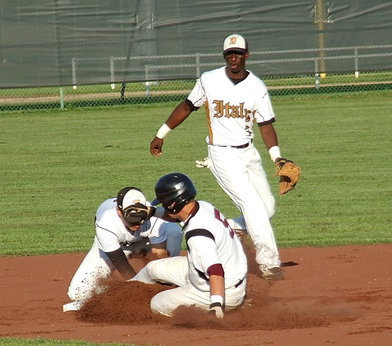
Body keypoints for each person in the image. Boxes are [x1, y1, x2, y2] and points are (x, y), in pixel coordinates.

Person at [149, 33, 293, 280]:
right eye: (229, 54)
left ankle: (226, 227)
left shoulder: (257, 87)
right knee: (253, 207)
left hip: (248, 152)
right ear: (224, 56)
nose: (233, 58)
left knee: (267, 208)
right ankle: (270, 264)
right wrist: (161, 134)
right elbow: (187, 106)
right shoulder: (209, 80)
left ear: (247, 55)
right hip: (221, 154)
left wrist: (277, 158)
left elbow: (266, 125)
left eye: (238, 53)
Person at [131, 172, 248, 319]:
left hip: (217, 290)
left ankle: (216, 308)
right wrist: (153, 212)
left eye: (164, 204)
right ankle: (125, 290)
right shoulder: (203, 206)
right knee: (152, 268)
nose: (164, 207)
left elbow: (215, 269)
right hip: (225, 276)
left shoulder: (197, 235)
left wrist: (216, 304)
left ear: (173, 204)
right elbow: (177, 216)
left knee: (157, 303)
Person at [63, 186, 182, 312]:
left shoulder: (150, 215)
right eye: (132, 221)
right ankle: (113, 291)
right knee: (77, 292)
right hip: (117, 247)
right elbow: (121, 264)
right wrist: (139, 292)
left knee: (173, 230)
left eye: (141, 221)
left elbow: (159, 254)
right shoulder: (106, 221)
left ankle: (172, 283)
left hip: (143, 243)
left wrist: (162, 280)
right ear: (119, 211)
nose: (137, 225)